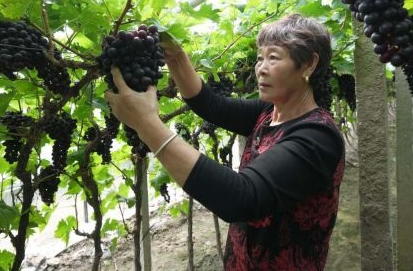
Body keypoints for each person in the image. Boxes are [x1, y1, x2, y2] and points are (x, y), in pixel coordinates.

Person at [105, 14, 345, 270]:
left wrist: (148, 125)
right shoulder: (268, 112)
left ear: (308, 64)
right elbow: (209, 104)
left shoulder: (318, 137)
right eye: (259, 58)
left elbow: (241, 198)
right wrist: (176, 57)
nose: (261, 68)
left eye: (273, 57)